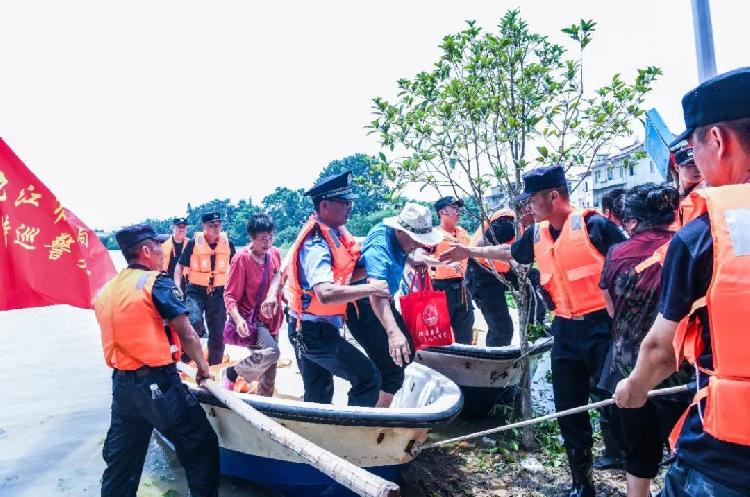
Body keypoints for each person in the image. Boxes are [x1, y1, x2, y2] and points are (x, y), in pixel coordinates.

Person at [441, 165, 627, 496]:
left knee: (618, 402)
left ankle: (632, 470)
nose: (527, 207)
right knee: (568, 408)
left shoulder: (595, 226)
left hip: (604, 328)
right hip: (565, 331)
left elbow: (630, 267)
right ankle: (581, 484)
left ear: (552, 195)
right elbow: (509, 253)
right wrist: (470, 251)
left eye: (532, 200)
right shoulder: (537, 233)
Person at [614, 67, 750, 497]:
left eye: (692, 148)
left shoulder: (706, 234)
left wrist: (633, 388)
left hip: (728, 460)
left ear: (716, 139)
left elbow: (660, 349)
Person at [94, 224, 219, 497]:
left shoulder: (107, 289)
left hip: (123, 390)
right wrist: (203, 369)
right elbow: (187, 333)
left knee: (121, 465)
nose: (164, 253)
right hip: (158, 385)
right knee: (202, 447)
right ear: (146, 251)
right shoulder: (155, 282)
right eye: (158, 247)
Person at [598, 184, 691, 497]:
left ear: (633, 221)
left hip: (629, 373)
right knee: (685, 452)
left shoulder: (616, 254)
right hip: (682, 370)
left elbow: (610, 306)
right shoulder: (690, 244)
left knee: (639, 456)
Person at [281, 171, 387, 407]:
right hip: (310, 331)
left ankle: (319, 436)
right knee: (368, 378)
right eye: (344, 202)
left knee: (319, 394)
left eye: (350, 202)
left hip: (314, 328)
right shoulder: (316, 243)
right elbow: (325, 293)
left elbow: (346, 273)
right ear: (325, 205)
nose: (350, 207)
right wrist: (372, 289)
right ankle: (353, 434)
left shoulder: (337, 232)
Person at [346, 203, 443, 407]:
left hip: (383, 300)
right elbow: (375, 292)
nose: (418, 244)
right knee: (393, 367)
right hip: (364, 306)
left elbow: (402, 252)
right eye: (416, 240)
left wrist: (410, 260)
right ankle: (374, 419)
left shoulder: (400, 239)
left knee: (405, 352)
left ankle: (376, 399)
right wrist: (393, 333)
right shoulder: (379, 246)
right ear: (400, 231)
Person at [221, 214, 283, 396]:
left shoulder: (275, 253)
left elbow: (278, 274)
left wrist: (274, 295)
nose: (268, 242)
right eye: (263, 238)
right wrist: (238, 320)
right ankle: (233, 372)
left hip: (273, 319)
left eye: (271, 237)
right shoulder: (242, 259)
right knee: (272, 352)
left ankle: (264, 405)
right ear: (252, 238)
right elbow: (229, 294)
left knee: (270, 372)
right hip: (254, 321)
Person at [465, 208, 547, 347]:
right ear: (526, 209)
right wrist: (512, 261)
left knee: (533, 277)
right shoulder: (507, 223)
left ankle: (535, 328)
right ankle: (496, 365)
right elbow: (480, 244)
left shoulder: (523, 227)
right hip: (481, 274)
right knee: (502, 329)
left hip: (501, 271)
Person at [175, 212, 236, 365]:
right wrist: (177, 287)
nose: (216, 228)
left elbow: (237, 267)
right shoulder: (194, 243)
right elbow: (180, 266)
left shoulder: (228, 243)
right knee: (193, 321)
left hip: (219, 292)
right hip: (196, 291)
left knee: (218, 333)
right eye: (211, 225)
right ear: (204, 227)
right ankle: (186, 360)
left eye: (218, 225)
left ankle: (215, 364)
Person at [428, 196, 474, 344]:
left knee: (465, 329)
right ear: (442, 212)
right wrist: (445, 264)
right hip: (441, 288)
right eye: (454, 208)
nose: (458, 211)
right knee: (442, 331)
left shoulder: (462, 232)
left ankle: (466, 361)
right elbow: (419, 257)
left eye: (458, 208)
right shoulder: (433, 236)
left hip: (462, 286)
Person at [161, 217, 189, 288]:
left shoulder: (191, 244)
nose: (182, 229)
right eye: (179, 226)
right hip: (168, 282)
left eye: (184, 227)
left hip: (187, 282)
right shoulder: (163, 244)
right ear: (173, 228)